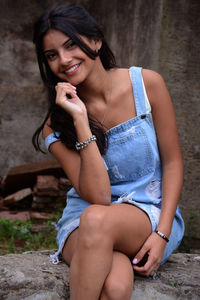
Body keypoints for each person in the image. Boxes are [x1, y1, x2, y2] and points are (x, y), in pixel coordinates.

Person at [32, 3, 184, 300]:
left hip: (147, 211)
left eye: (71, 44)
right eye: (51, 55)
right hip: (85, 218)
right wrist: (80, 119)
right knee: (113, 287)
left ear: (96, 40)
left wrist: (162, 234)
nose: (64, 60)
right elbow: (98, 197)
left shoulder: (147, 85)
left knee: (98, 221)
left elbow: (174, 162)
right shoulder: (57, 123)